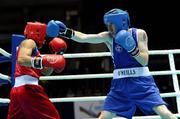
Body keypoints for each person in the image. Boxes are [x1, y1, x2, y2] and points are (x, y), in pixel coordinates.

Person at [46, 9, 177, 119]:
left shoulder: (139, 34)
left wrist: (131, 48)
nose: (109, 28)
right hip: (120, 85)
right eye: (108, 25)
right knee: (103, 117)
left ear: (121, 22)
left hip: (142, 82)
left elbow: (144, 60)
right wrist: (64, 31)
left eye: (111, 24)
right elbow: (83, 38)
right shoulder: (108, 37)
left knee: (164, 113)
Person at [7, 22, 67, 119]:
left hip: (17, 90)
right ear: (38, 33)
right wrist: (42, 61)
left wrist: (57, 55)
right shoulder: (29, 42)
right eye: (43, 35)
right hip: (29, 89)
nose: (44, 39)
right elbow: (22, 59)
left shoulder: (35, 52)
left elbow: (46, 72)